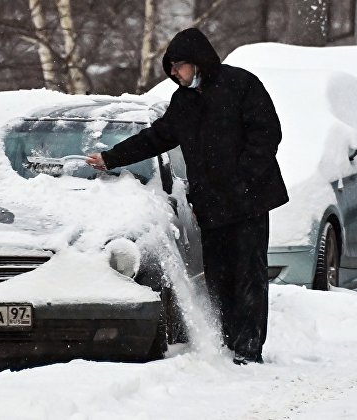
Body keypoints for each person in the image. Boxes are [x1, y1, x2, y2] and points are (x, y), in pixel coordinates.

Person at [86, 28, 288, 365]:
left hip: (249, 201)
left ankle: (249, 348)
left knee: (249, 275)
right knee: (219, 276)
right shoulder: (183, 102)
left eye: (178, 67)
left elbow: (267, 134)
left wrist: (243, 180)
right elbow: (158, 137)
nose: (174, 75)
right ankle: (227, 340)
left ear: (197, 62)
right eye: (171, 69)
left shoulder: (241, 85)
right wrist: (112, 158)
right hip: (211, 206)